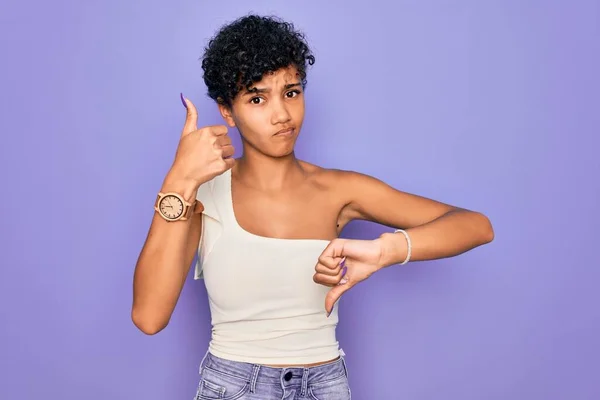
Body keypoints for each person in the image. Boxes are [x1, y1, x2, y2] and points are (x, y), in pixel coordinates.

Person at [131, 14, 494, 400]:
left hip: (327, 385)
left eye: (291, 92)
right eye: (257, 98)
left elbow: (476, 226)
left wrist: (385, 250)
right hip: (235, 387)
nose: (282, 115)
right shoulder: (201, 194)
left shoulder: (340, 189)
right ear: (226, 111)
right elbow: (150, 317)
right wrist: (179, 180)